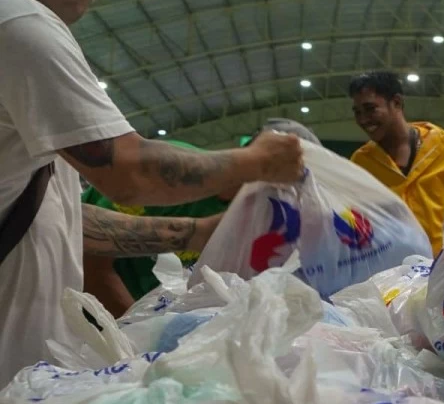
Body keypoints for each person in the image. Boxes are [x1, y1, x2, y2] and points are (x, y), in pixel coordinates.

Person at [0, 0, 305, 382]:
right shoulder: (20, 19)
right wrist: (260, 161)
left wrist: (193, 232)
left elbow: (62, 219)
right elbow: (129, 171)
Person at [81, 120, 320, 315]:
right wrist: (137, 339)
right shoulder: (172, 174)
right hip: (89, 315)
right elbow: (91, 265)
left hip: (156, 314)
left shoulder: (272, 221)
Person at [348, 71, 444, 253]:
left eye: (370, 109)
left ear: (396, 103)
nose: (363, 119)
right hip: (393, 273)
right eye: (357, 112)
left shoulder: (443, 145)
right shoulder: (361, 162)